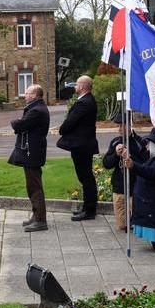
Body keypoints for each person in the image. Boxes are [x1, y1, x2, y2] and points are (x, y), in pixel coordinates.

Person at [7, 84, 50, 232]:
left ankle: (40, 220)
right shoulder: (36, 108)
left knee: (34, 187)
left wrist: (15, 122)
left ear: (34, 95)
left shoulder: (37, 110)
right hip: (31, 152)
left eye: (27, 93)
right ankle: (36, 215)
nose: (25, 95)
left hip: (32, 153)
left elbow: (20, 125)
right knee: (32, 186)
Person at [57, 75, 100, 221]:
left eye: (76, 84)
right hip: (83, 145)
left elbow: (71, 121)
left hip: (82, 146)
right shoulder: (88, 100)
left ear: (82, 86)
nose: (75, 86)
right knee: (86, 177)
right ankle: (87, 208)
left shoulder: (84, 103)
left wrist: (61, 129)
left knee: (86, 178)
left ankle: (89, 211)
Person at [102, 132, 140, 231]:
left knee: (136, 224)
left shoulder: (139, 142)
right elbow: (106, 164)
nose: (120, 128)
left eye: (123, 125)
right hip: (119, 186)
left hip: (135, 186)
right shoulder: (115, 142)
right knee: (122, 225)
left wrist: (131, 157)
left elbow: (145, 164)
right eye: (118, 126)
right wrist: (116, 154)